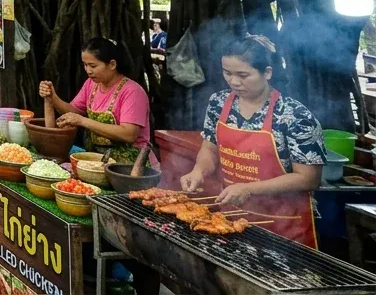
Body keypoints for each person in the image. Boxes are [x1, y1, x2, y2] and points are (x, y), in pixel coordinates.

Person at [180, 34, 324, 248]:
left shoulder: (295, 116)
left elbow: (309, 178)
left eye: (243, 75)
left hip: (285, 224)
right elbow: (209, 149)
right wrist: (198, 171)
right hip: (231, 217)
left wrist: (249, 189)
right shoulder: (218, 103)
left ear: (267, 72)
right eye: (227, 73)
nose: (233, 81)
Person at [39, 36, 152, 161]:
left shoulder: (132, 92)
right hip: (98, 159)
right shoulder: (91, 84)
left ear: (112, 64)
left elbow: (129, 134)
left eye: (93, 66)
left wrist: (82, 121)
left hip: (131, 164)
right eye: (85, 65)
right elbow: (73, 111)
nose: (88, 70)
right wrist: (53, 98)